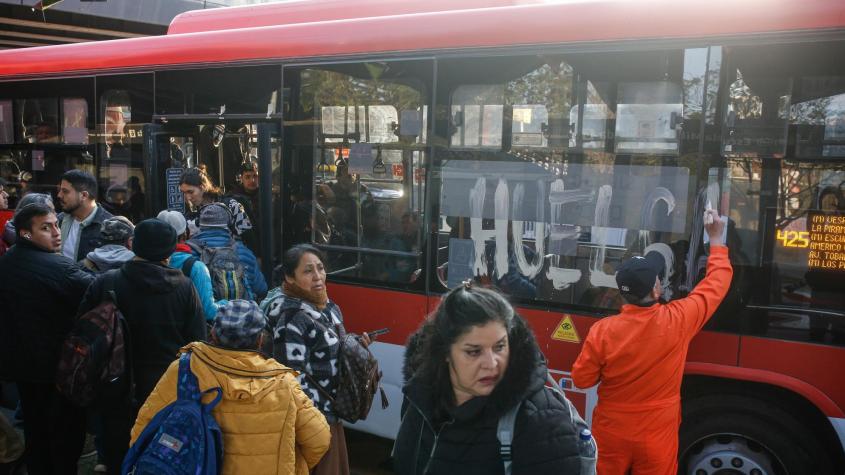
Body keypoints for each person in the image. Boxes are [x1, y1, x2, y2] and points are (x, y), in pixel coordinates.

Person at [571, 208, 732, 475]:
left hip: (612, 430)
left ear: (622, 295)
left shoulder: (603, 331)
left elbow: (582, 380)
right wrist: (715, 239)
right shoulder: (679, 320)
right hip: (657, 432)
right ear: (657, 289)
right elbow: (716, 283)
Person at [393, 284, 586, 474]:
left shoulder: (541, 421)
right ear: (445, 352)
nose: (491, 364)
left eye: (499, 347)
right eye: (474, 351)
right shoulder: (420, 398)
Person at [131, 300, 331, 475]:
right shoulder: (283, 384)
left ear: (213, 333)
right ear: (260, 340)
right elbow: (319, 440)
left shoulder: (185, 369)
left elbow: (144, 427)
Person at [77, 218, 206, 475]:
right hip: (167, 386)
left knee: (118, 450)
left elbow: (83, 330)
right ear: (171, 250)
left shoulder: (108, 282)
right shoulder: (184, 287)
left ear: (133, 244)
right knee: (161, 454)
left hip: (115, 383)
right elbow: (197, 341)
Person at [0, 203, 94, 474]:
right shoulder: (58, 267)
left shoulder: (7, 262)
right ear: (25, 233)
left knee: (35, 429)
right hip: (58, 367)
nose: (56, 232)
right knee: (65, 435)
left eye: (55, 224)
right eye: (46, 227)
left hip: (22, 368)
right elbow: (96, 288)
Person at [266, 244, 368, 475]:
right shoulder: (291, 318)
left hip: (331, 414)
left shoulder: (328, 307)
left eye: (320, 268)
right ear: (289, 278)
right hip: (313, 422)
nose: (318, 276)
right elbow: (291, 377)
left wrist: (354, 346)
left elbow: (328, 345)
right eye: (308, 271)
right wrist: (311, 425)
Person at [157, 209, 226, 322]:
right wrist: (227, 303)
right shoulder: (196, 267)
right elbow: (209, 311)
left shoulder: (141, 262)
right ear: (186, 234)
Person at [188, 203, 267, 300]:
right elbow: (261, 289)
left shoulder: (188, 252)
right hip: (240, 312)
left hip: (204, 313)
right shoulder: (244, 252)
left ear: (198, 223)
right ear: (230, 224)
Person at [179, 167, 256, 251]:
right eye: (184, 193)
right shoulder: (191, 213)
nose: (188, 197)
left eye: (190, 192)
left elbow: (249, 239)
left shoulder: (231, 206)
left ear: (203, 187)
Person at [57, 169, 113, 262]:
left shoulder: (109, 227)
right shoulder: (59, 220)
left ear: (83, 195)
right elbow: (27, 236)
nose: (59, 195)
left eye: (65, 191)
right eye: (59, 190)